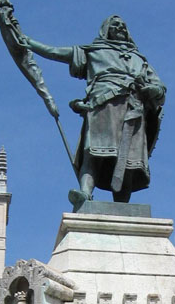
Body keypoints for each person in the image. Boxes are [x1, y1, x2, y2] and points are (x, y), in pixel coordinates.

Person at [22, 15, 166, 205]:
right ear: (106, 30)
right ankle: (85, 193)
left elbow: (159, 87)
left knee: (128, 161)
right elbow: (56, 52)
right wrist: (29, 43)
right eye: (116, 25)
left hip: (133, 109)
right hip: (102, 106)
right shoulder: (94, 51)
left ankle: (122, 206)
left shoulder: (139, 59)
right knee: (93, 152)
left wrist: (153, 89)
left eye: (123, 26)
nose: (121, 28)